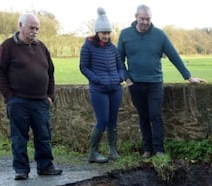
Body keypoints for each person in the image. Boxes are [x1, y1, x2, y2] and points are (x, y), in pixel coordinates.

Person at [118, 4, 205, 158]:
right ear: (136, 17)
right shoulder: (125, 34)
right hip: (135, 84)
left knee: (155, 116)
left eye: (148, 19)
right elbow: (118, 60)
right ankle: (147, 149)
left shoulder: (160, 35)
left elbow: (174, 56)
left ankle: (159, 151)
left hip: (155, 83)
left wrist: (188, 76)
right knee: (143, 117)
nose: (145, 22)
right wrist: (126, 78)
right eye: (142, 19)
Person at [0, 12, 62, 180]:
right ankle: (21, 170)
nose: (34, 31)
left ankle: (45, 166)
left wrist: (50, 96)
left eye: (37, 28)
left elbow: (50, 72)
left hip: (41, 101)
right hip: (19, 101)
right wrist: (9, 97)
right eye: (31, 27)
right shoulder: (7, 47)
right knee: (19, 137)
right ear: (20, 26)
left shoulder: (42, 47)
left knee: (44, 135)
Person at [79, 7, 126, 163]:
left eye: (108, 33)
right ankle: (93, 153)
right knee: (102, 120)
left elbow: (121, 66)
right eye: (103, 33)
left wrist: (120, 77)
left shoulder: (113, 48)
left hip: (115, 89)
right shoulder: (88, 47)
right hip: (98, 90)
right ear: (97, 32)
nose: (106, 36)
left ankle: (113, 151)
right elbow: (83, 67)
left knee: (113, 120)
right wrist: (97, 79)